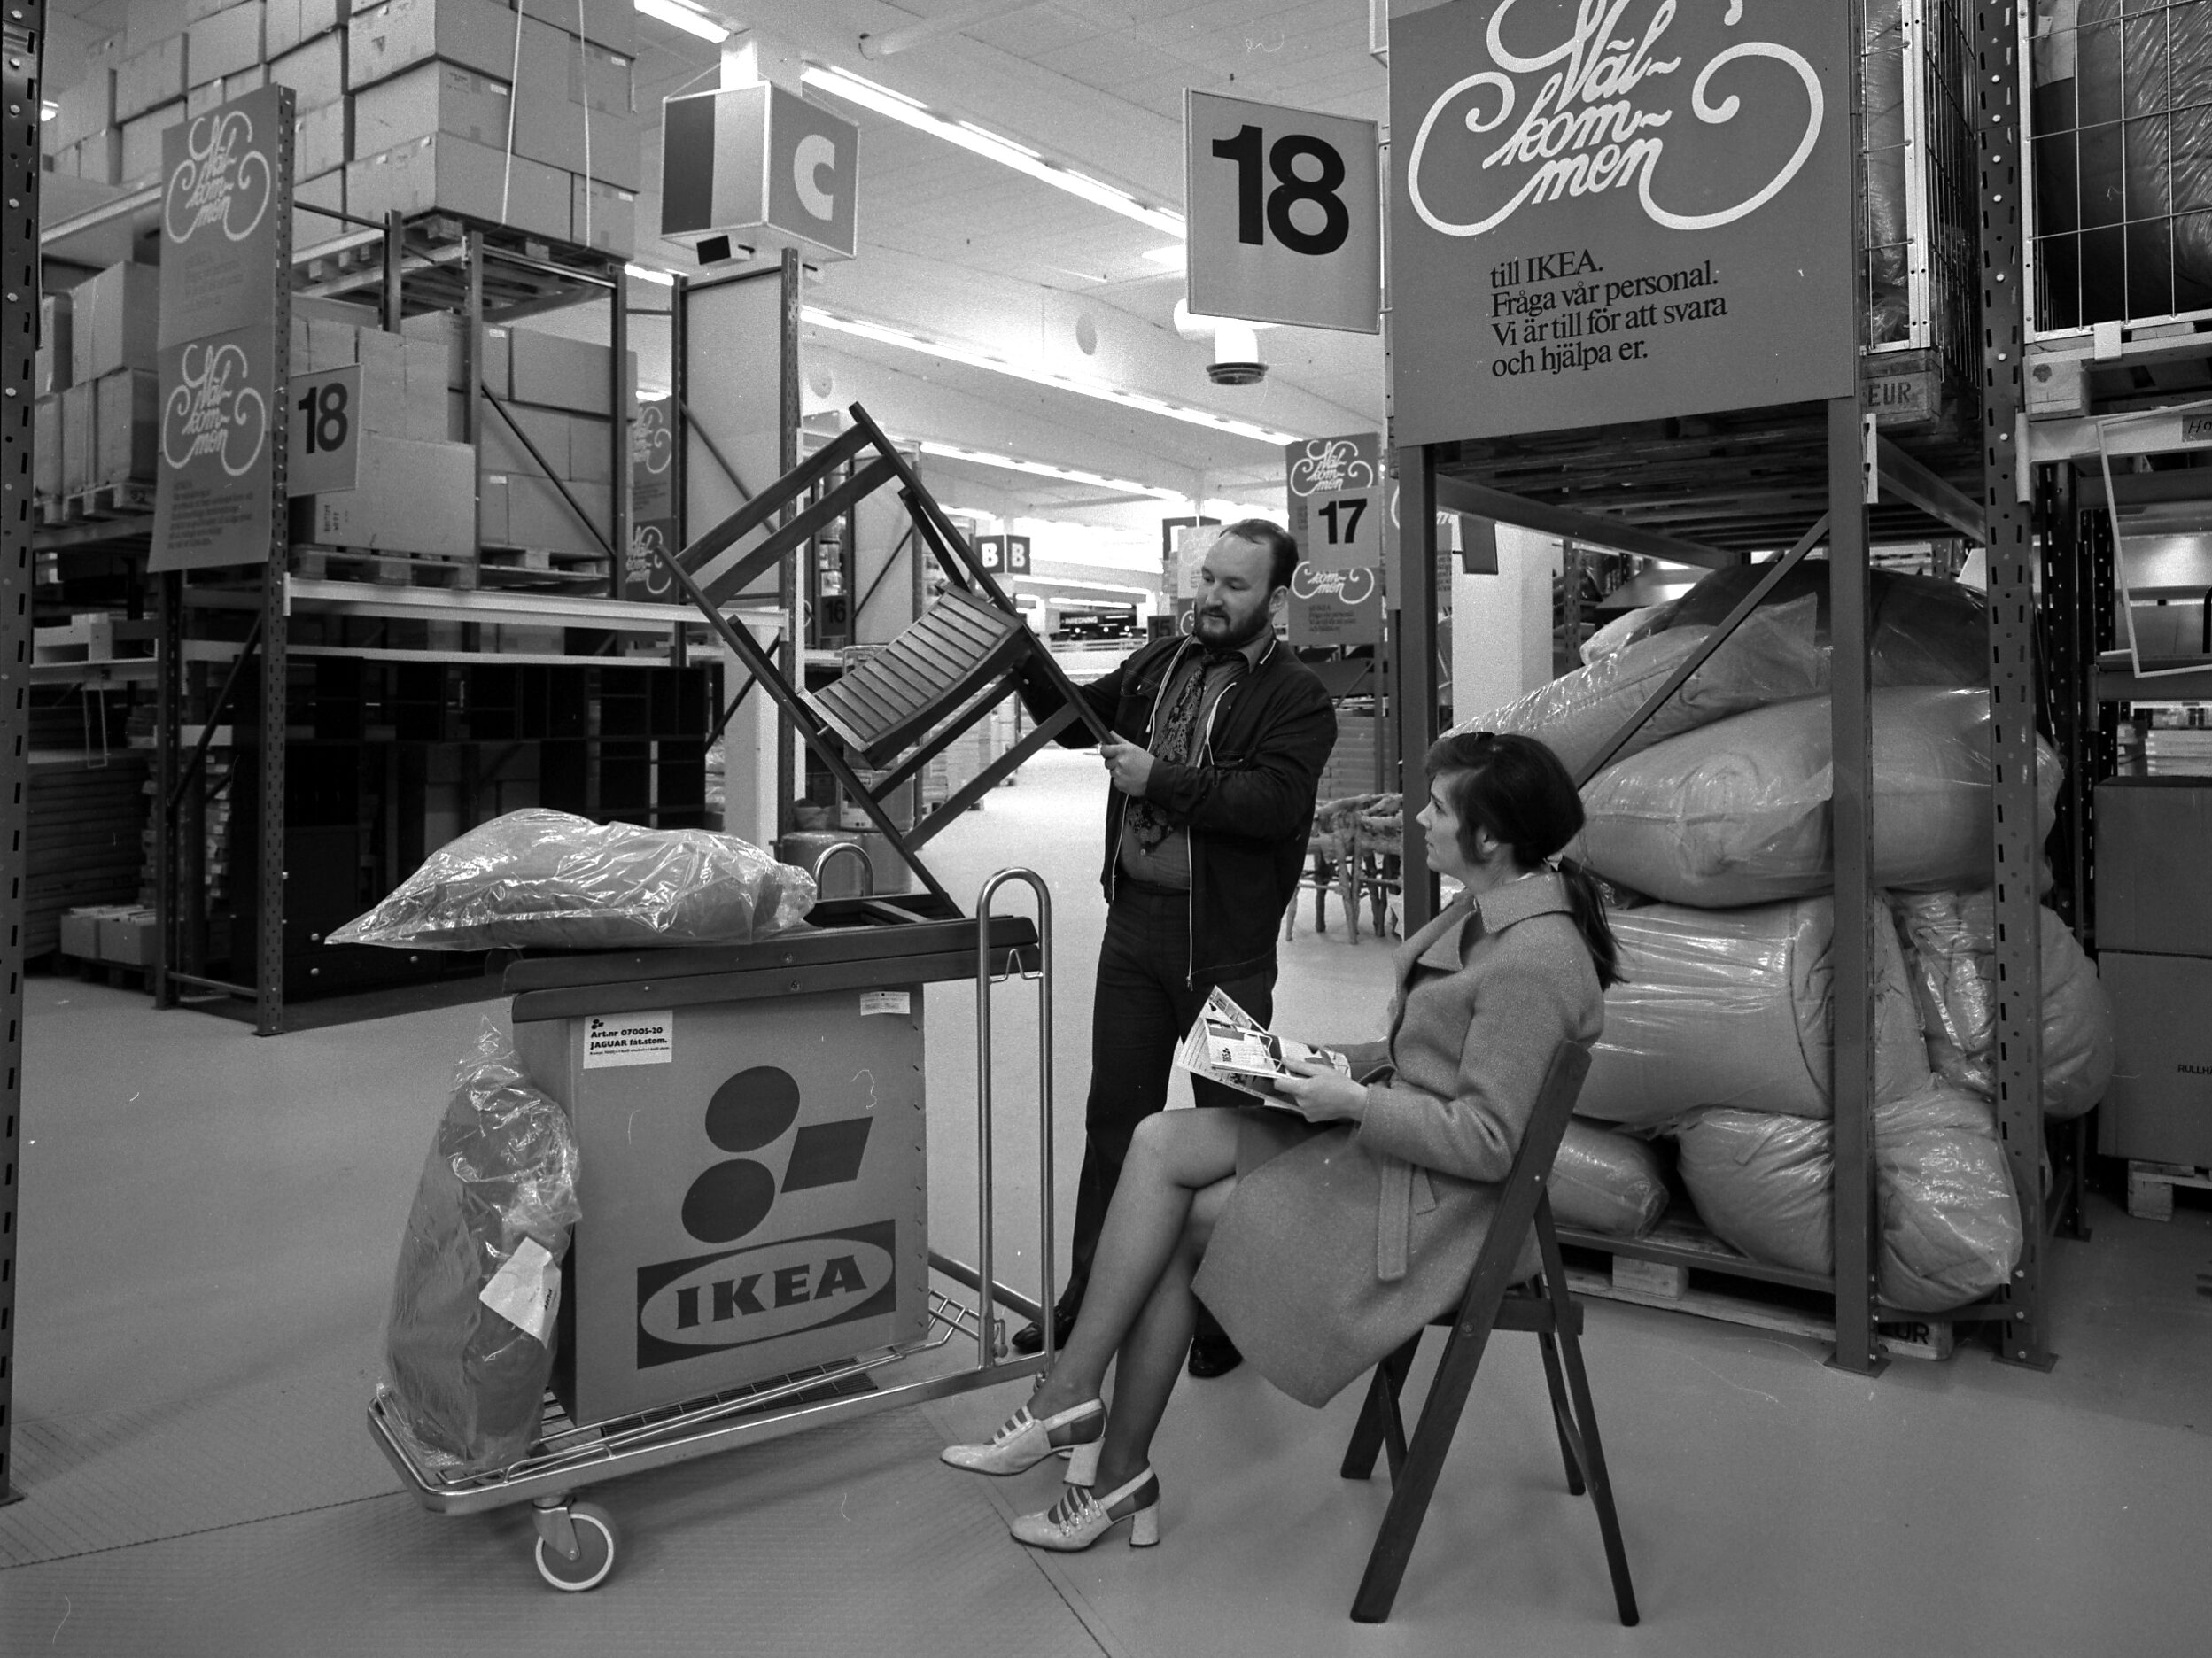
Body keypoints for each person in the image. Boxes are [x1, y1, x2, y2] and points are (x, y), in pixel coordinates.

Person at [942, 732, 1620, 1552]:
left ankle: (1107, 1451)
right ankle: (1077, 1400)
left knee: (1181, 1229)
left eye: (1439, 807)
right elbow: (1439, 1056)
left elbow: (1486, 1141)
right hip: (1398, 1155)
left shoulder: (1533, 959)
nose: (1418, 817)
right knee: (1159, 1141)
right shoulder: (1488, 911)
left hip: (1441, 1206)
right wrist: (1319, 1062)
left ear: (1491, 836)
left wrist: (1348, 1104)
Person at [1011, 521, 1336, 1378]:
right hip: (1133, 929)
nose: (1212, 599)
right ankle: (1086, 1297)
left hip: (1223, 947)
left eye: (1234, 586)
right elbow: (1074, 724)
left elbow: (1270, 803)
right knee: (1113, 1120)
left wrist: (1161, 780)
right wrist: (1017, 654)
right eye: (1208, 580)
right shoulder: (1160, 666)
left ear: (1274, 597)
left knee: (1231, 1135)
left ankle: (1223, 1318)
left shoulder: (1296, 695)